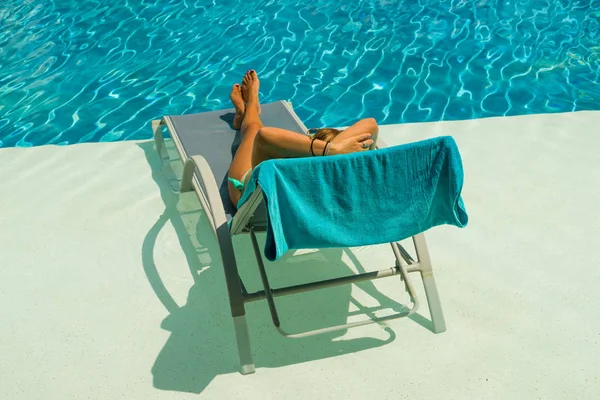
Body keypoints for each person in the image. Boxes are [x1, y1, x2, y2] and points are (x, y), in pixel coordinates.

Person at [228, 70, 379, 207]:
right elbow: (371, 124)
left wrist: (333, 150)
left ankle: (250, 106)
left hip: (253, 201)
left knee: (253, 129)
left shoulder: (294, 171)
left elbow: (264, 135)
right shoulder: (345, 186)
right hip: (304, 196)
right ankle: (248, 111)